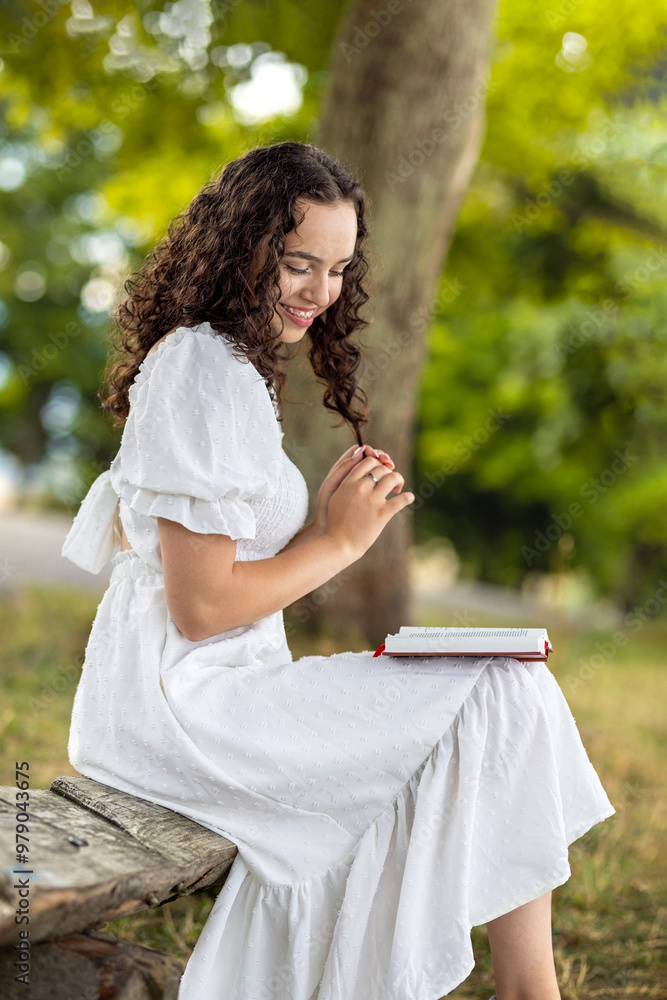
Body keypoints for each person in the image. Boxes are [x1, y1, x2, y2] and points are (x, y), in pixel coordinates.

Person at [62, 141, 615, 1000]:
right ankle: (530, 990)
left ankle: (527, 986)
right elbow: (202, 608)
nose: (319, 292)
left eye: (337, 269)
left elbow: (182, 555)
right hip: (182, 712)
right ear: (240, 248)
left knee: (508, 685)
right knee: (504, 691)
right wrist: (337, 542)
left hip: (221, 689)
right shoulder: (201, 366)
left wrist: (322, 531)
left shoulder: (225, 365)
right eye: (297, 264)